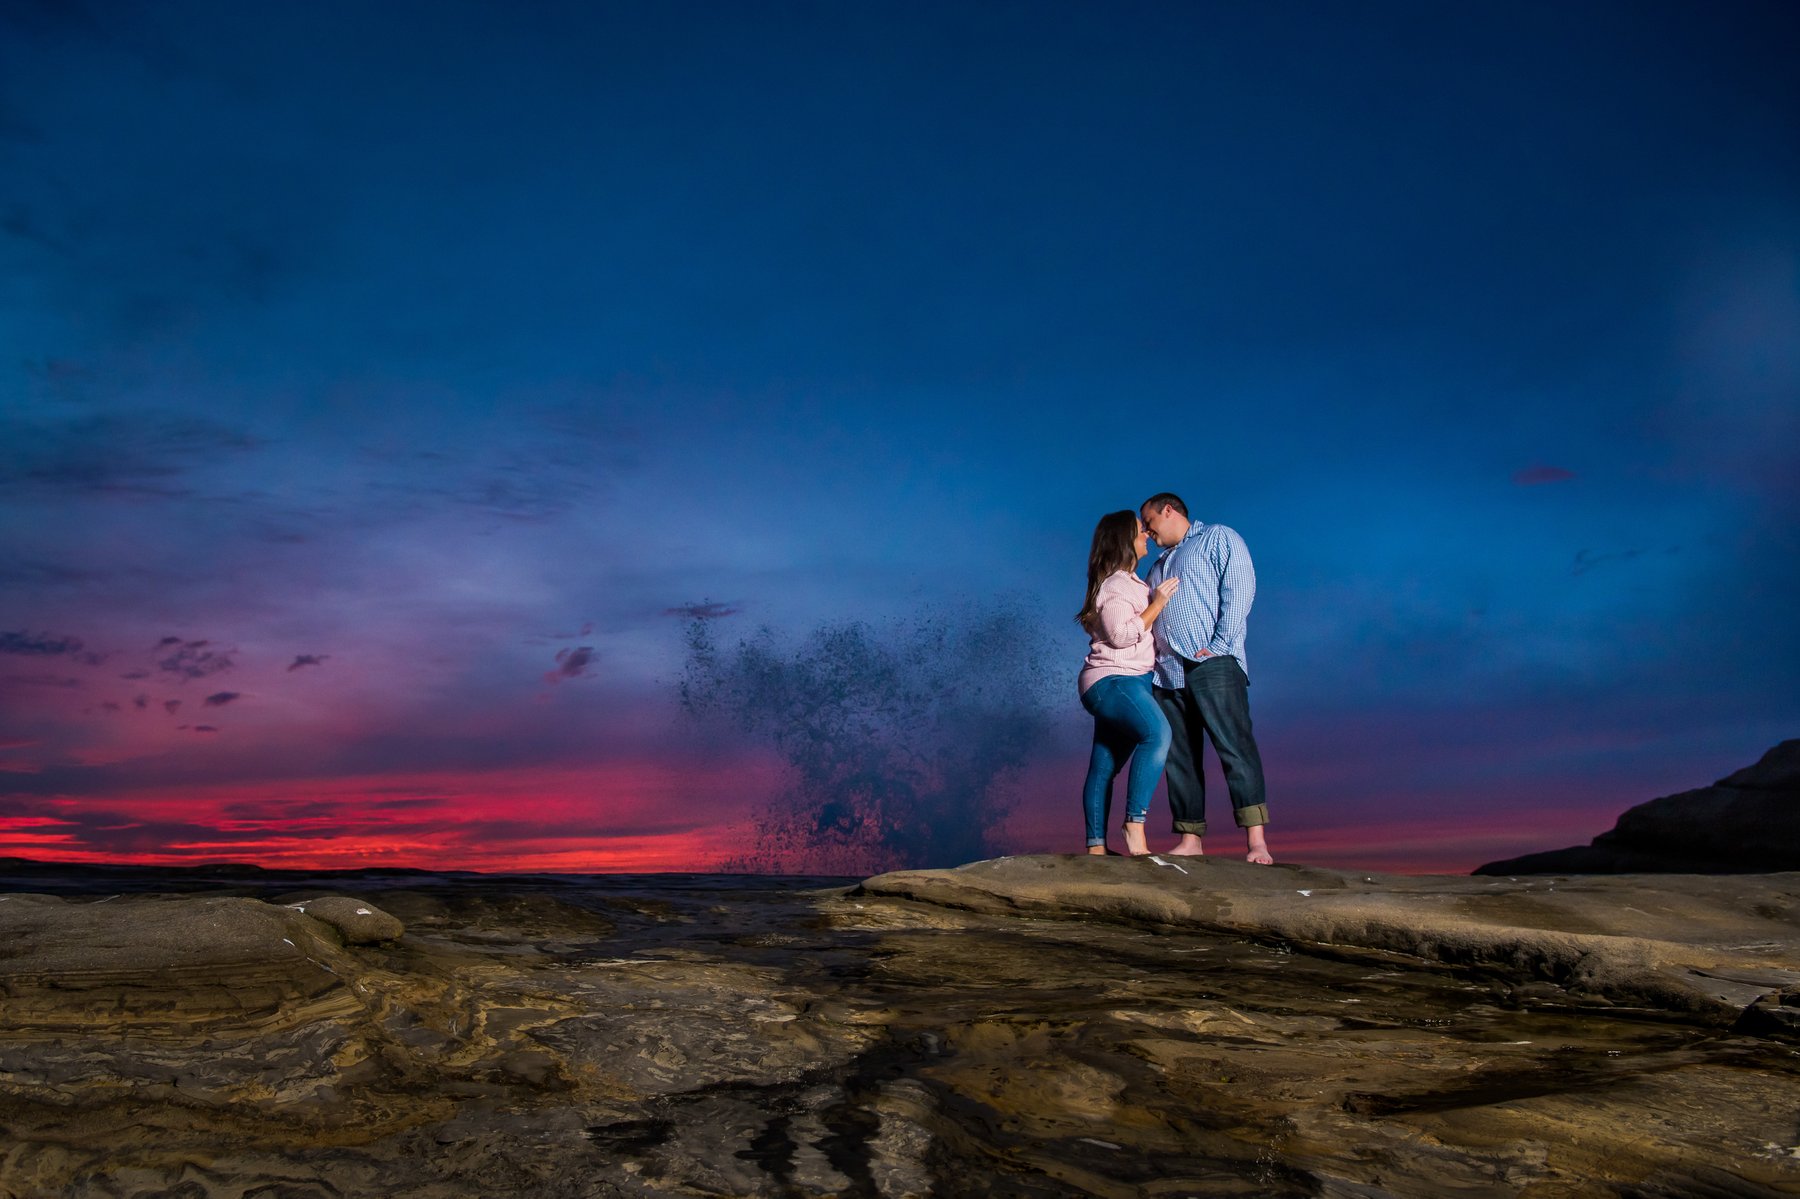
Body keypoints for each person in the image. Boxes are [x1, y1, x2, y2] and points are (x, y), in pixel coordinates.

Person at [1140, 492, 1274, 864]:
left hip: (1213, 663)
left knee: (1234, 746)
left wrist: (1219, 645)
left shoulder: (1216, 537)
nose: (1148, 532)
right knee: (1179, 757)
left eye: (1149, 522)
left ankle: (1256, 841)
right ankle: (1190, 838)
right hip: (1167, 675)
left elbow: (1240, 587)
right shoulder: (1156, 568)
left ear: (1168, 511)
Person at [1076, 510, 1180, 856]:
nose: (1146, 534)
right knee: (1157, 734)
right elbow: (1120, 635)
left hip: (1123, 681)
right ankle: (1134, 824)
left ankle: (1096, 850)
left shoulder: (1128, 582)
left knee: (1104, 765)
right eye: (1139, 530)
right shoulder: (1117, 584)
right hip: (1115, 680)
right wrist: (1158, 604)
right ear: (1125, 540)